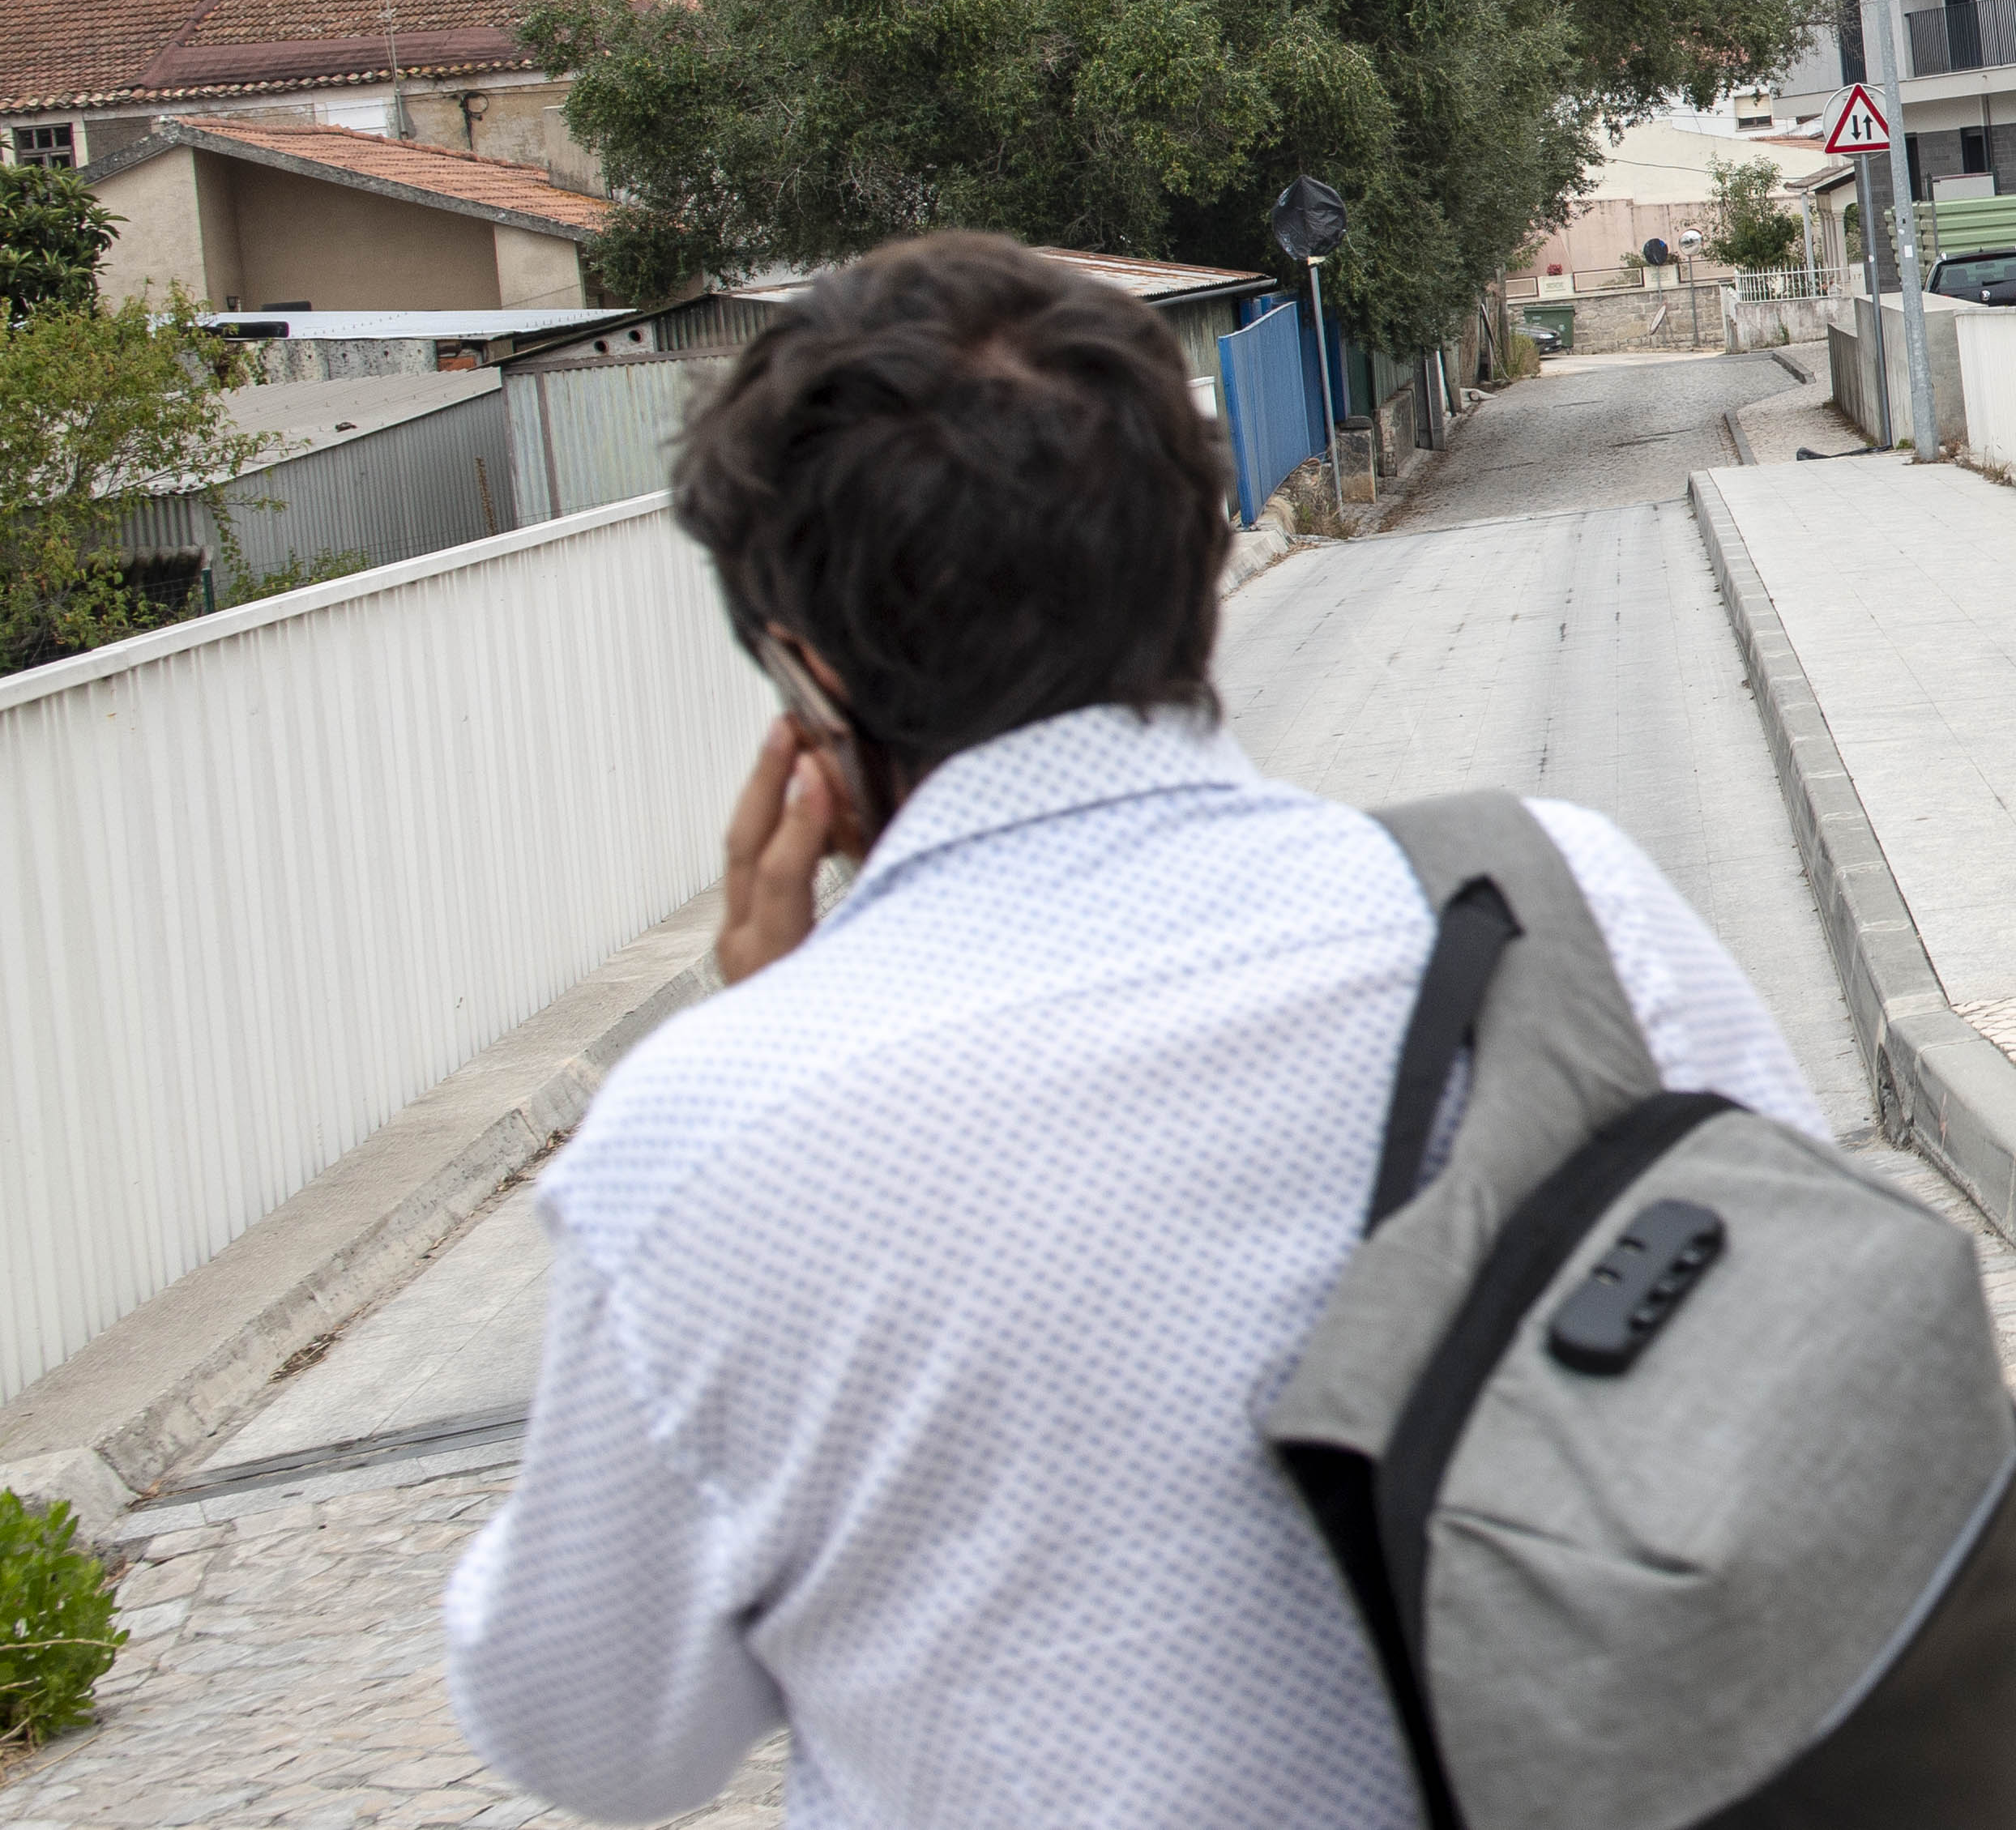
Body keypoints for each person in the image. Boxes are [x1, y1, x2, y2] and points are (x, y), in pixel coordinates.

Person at [442, 232, 1825, 1826]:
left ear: (808, 682)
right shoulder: (1572, 911)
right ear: (1202, 569)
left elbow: (591, 1736)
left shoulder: (703, 1140)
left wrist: (766, 1033)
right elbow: (1825, 1386)